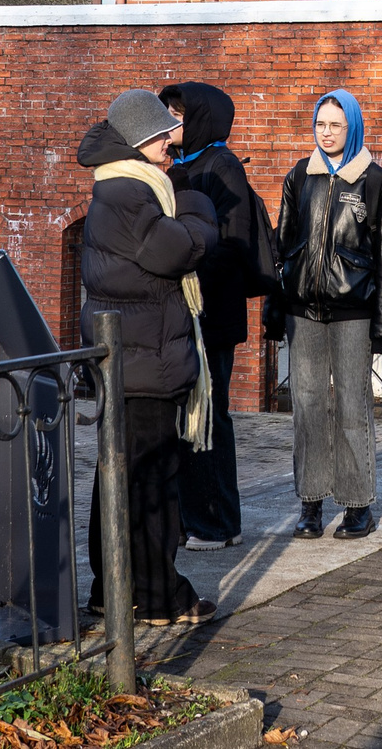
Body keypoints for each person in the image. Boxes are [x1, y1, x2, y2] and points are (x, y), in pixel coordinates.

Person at [77, 89, 220, 626]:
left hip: (132, 355)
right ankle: (158, 595)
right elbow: (177, 249)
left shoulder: (121, 185)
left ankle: (111, 589)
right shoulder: (131, 191)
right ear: (140, 141)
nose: (171, 141)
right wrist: (198, 208)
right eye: (162, 135)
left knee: (118, 474)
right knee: (151, 479)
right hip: (143, 358)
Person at [274, 90, 382, 540]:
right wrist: (276, 310)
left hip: (353, 313)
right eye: (320, 124)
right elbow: (281, 246)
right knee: (307, 408)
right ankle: (309, 504)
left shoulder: (374, 182)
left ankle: (357, 505)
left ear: (353, 127)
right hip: (302, 312)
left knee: (352, 407)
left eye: (336, 125)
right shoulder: (298, 176)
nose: (326, 134)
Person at [157, 82, 277, 551]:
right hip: (191, 309)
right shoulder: (184, 165)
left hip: (211, 310)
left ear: (201, 118)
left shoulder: (221, 166)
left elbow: (231, 242)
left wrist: (185, 258)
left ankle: (215, 522)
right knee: (194, 414)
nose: (171, 121)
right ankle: (201, 518)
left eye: (178, 113)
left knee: (209, 415)